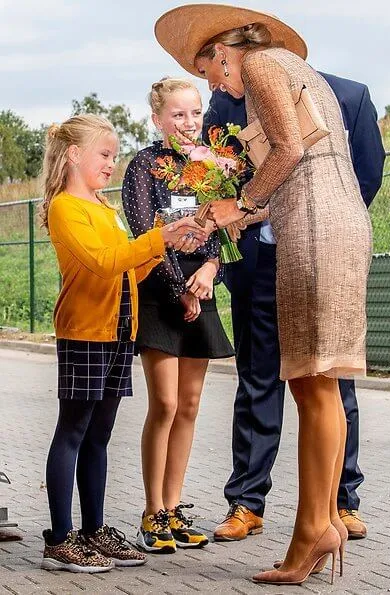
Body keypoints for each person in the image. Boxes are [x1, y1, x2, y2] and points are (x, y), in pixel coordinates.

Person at [155, 4, 373, 586]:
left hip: (315, 230)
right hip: (322, 220)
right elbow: (308, 162)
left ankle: (311, 532)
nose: (215, 84)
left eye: (209, 71)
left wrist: (239, 204)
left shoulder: (263, 67)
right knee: (317, 381)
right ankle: (324, 519)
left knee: (312, 380)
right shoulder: (295, 71)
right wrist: (235, 213)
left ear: (223, 50)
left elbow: (290, 153)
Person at [203, 72, 385, 543]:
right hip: (259, 264)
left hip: (320, 256)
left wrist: (318, 221)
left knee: (332, 384)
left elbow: (367, 172)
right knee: (257, 383)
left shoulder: (350, 95)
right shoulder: (227, 103)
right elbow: (217, 178)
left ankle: (342, 502)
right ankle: (246, 503)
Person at [41, 113, 206, 573]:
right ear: (74, 155)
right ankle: (59, 538)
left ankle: (94, 531)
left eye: (114, 157)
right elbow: (101, 262)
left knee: (99, 435)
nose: (111, 164)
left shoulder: (105, 208)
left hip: (118, 333)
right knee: (73, 432)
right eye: (105, 155)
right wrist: (156, 236)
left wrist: (163, 245)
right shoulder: (66, 208)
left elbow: (127, 270)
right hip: (85, 333)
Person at [122, 78, 234, 554]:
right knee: (164, 404)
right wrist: (180, 291)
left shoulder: (210, 168)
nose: (189, 124)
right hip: (160, 289)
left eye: (195, 114)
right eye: (178, 115)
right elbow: (149, 232)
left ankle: (173, 508)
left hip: (200, 285)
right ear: (157, 120)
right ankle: (151, 513)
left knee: (189, 406)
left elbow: (223, 234)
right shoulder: (144, 165)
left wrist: (210, 269)